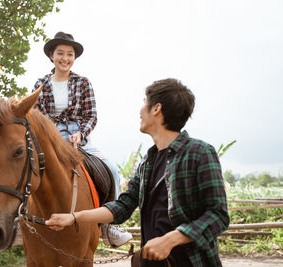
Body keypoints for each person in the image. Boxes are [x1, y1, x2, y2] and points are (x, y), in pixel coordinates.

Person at [46, 78, 230, 266]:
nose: (140, 111)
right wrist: (74, 217)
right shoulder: (147, 162)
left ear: (156, 109)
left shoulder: (200, 152)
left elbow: (218, 215)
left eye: (144, 103)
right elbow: (124, 205)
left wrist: (171, 239)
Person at [31, 31, 132, 247]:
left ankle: (109, 226)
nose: (65, 58)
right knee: (23, 167)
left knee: (112, 170)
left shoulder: (83, 82)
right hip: (48, 137)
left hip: (78, 137)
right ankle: (19, 221)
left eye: (69, 54)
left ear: (74, 58)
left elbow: (91, 115)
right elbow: (34, 116)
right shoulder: (40, 84)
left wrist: (80, 133)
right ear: (51, 55)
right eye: (60, 53)